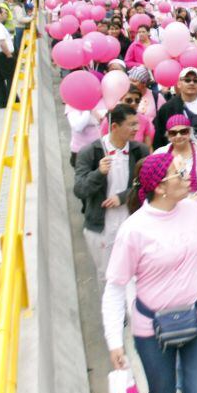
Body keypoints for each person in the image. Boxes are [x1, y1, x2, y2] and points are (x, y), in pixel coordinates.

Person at [103, 153, 197, 393]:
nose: (187, 176)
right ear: (159, 187)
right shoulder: (133, 230)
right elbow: (114, 288)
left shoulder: (193, 210)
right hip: (152, 328)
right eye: (180, 173)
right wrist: (114, 341)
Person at [73, 104, 151, 288]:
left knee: (137, 274)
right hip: (101, 226)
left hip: (131, 222)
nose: (136, 129)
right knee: (108, 278)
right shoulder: (90, 152)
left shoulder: (140, 150)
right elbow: (80, 190)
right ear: (114, 126)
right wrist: (99, 173)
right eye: (131, 125)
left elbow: (146, 185)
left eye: (137, 124)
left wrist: (122, 197)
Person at [154, 68, 197, 150]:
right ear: (179, 84)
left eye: (196, 80)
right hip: (178, 157)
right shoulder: (168, 108)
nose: (191, 83)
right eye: (187, 80)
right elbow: (160, 137)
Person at [154, 115, 197, 190]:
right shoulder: (159, 154)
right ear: (168, 136)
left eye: (183, 132)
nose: (178, 136)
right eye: (173, 133)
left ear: (189, 132)